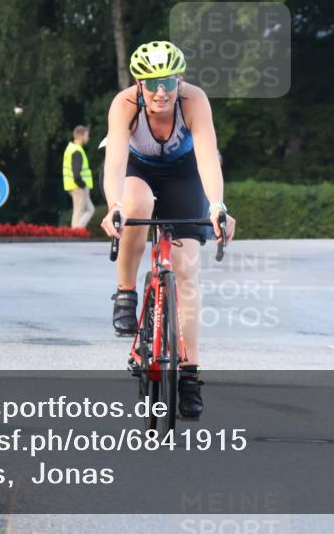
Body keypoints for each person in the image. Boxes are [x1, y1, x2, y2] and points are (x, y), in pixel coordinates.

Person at [100, 40, 236, 419]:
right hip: (136, 171)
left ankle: (190, 375)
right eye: (152, 82)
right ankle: (126, 293)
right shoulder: (124, 104)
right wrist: (114, 207)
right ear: (138, 83)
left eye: (169, 82)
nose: (161, 91)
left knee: (187, 270)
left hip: (183, 174)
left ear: (181, 80)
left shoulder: (195, 101)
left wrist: (218, 207)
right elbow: (114, 164)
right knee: (137, 206)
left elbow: (208, 157)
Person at [63, 125, 95, 228]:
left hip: (74, 186)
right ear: (81, 136)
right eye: (86, 135)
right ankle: (75, 232)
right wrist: (82, 185)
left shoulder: (71, 149)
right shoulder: (77, 151)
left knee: (90, 209)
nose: (88, 138)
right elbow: (76, 173)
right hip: (79, 186)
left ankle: (76, 230)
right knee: (79, 212)